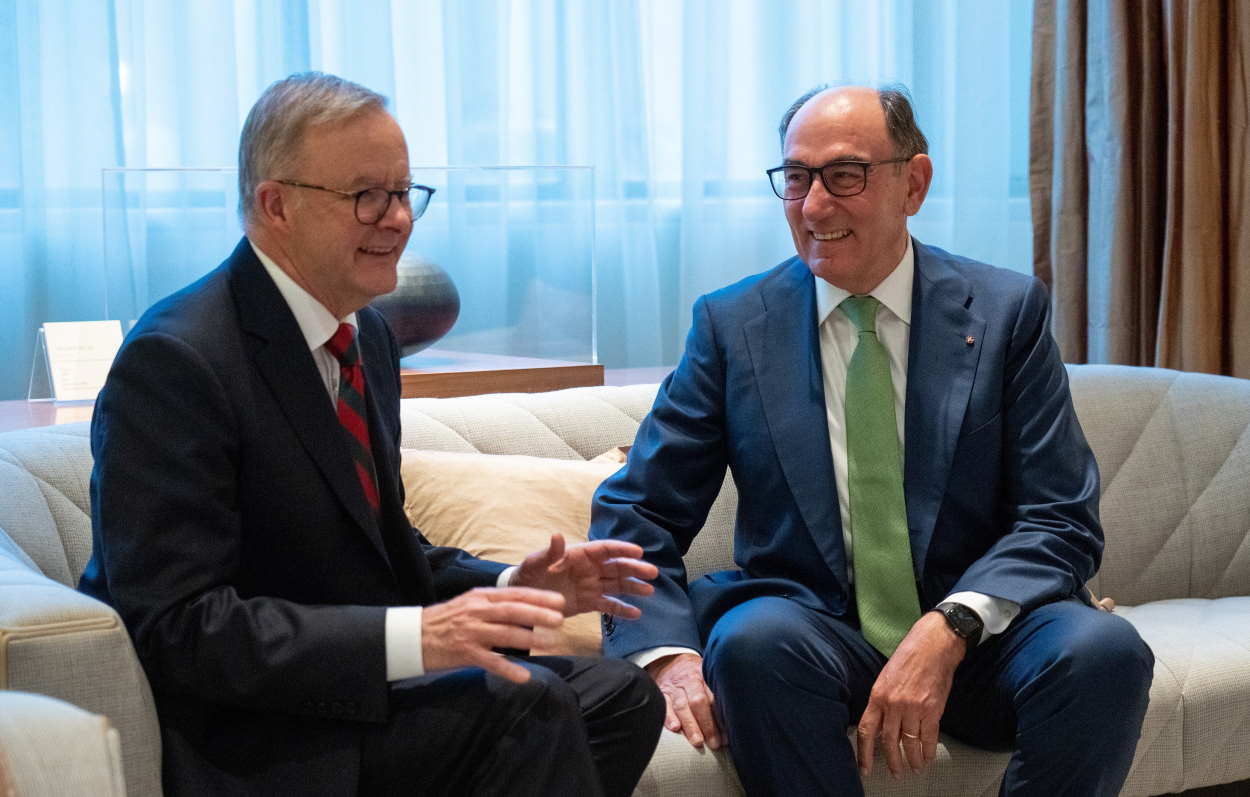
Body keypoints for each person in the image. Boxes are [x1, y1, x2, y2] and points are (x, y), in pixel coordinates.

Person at [79, 71, 663, 797]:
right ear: (276, 205)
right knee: (530, 708)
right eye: (367, 196)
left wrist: (514, 587)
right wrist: (415, 640)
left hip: (363, 698)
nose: (398, 220)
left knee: (620, 695)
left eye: (404, 192)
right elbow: (179, 625)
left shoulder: (368, 338)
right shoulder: (178, 360)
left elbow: (384, 548)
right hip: (255, 731)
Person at [588, 84, 1154, 796]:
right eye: (796, 177)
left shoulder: (1008, 313)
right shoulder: (735, 326)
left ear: (913, 183)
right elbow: (640, 511)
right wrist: (664, 654)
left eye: (844, 175)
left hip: (980, 641)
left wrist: (949, 628)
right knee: (752, 642)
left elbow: (1060, 516)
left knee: (1105, 651)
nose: (814, 205)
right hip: (812, 635)